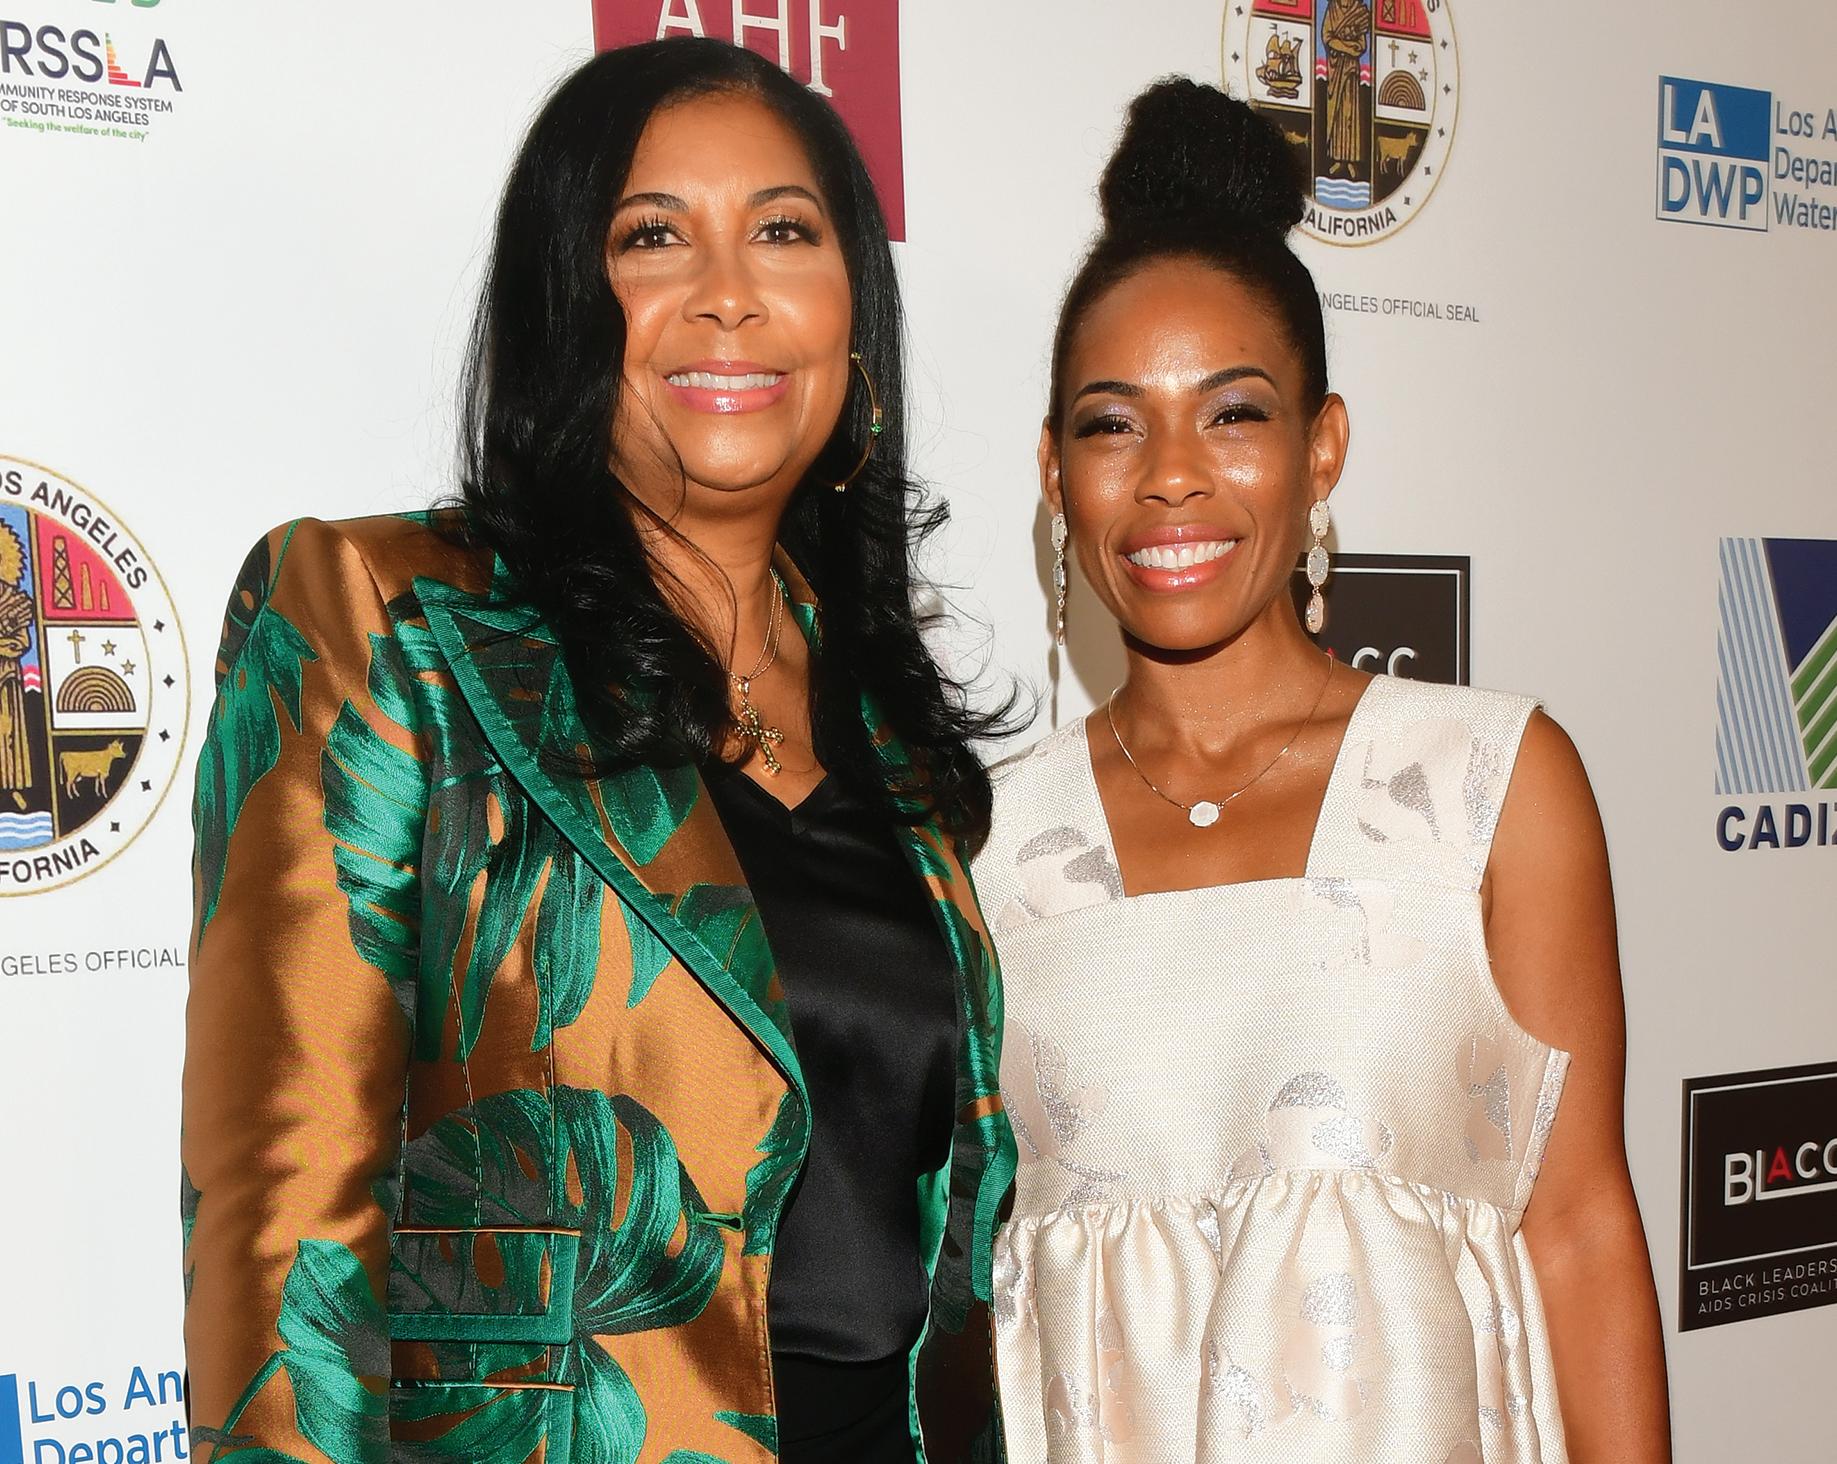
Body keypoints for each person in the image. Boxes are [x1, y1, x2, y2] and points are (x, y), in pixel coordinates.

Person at [181, 38, 1015, 1464]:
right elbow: (285, 1230)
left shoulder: (889, 716)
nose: (730, 292)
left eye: (784, 232)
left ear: (853, 319)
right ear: (564, 306)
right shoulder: (387, 622)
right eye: (651, 238)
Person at [975, 79, 1670, 1463]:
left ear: (1322, 446)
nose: (1171, 476)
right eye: (1112, 424)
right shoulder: (983, 841)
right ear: (1055, 474)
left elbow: (1581, 1230)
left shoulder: (1490, 788)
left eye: (1232, 414)